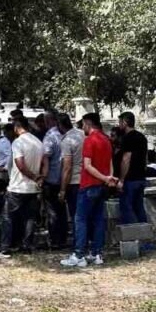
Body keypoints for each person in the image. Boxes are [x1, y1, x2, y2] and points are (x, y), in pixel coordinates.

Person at [61, 113, 118, 268]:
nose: (82, 128)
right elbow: (110, 161)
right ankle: (96, 253)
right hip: (102, 185)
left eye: (83, 125)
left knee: (81, 219)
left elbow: (87, 165)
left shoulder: (89, 140)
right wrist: (108, 177)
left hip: (88, 184)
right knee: (98, 219)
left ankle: (79, 254)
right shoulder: (106, 139)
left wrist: (104, 177)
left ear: (88, 123)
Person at [0, 115, 45, 259]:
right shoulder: (38, 142)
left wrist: (34, 176)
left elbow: (20, 164)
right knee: (29, 218)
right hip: (33, 188)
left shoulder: (18, 142)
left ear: (16, 127)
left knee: (7, 217)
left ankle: (5, 247)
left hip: (18, 186)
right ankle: (27, 245)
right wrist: (41, 177)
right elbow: (44, 161)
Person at [114, 112, 150, 229]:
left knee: (127, 208)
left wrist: (121, 180)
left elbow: (126, 159)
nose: (119, 125)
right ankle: (144, 234)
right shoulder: (142, 137)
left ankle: (133, 234)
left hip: (130, 179)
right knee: (139, 207)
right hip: (141, 177)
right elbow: (145, 158)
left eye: (120, 122)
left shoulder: (127, 138)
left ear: (125, 122)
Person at [41, 111, 67, 250]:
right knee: (61, 210)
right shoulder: (64, 136)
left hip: (51, 180)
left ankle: (55, 240)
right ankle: (62, 238)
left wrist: (43, 176)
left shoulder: (50, 137)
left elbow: (45, 157)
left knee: (52, 211)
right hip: (63, 179)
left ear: (48, 121)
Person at [57, 114, 84, 239]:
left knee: (76, 215)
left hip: (74, 182)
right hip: (86, 179)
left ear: (60, 125)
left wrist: (62, 189)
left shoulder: (67, 141)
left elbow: (67, 167)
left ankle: (78, 242)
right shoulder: (82, 134)